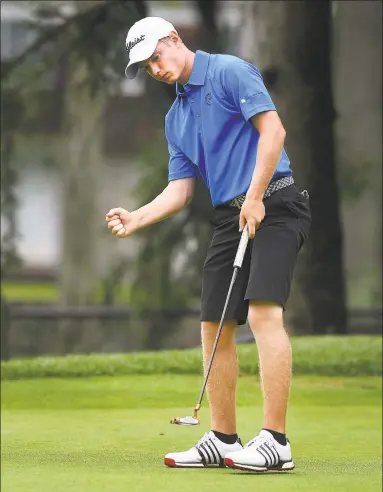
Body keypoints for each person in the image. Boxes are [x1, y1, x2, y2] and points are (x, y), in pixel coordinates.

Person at [106, 16, 311, 472]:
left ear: (175, 40)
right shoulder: (175, 117)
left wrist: (256, 197)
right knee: (213, 327)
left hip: (275, 203)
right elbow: (180, 190)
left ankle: (276, 442)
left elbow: (273, 133)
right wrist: (136, 217)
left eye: (156, 57)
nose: (155, 69)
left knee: (262, 313)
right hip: (228, 218)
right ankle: (223, 438)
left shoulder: (229, 71)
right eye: (145, 66)